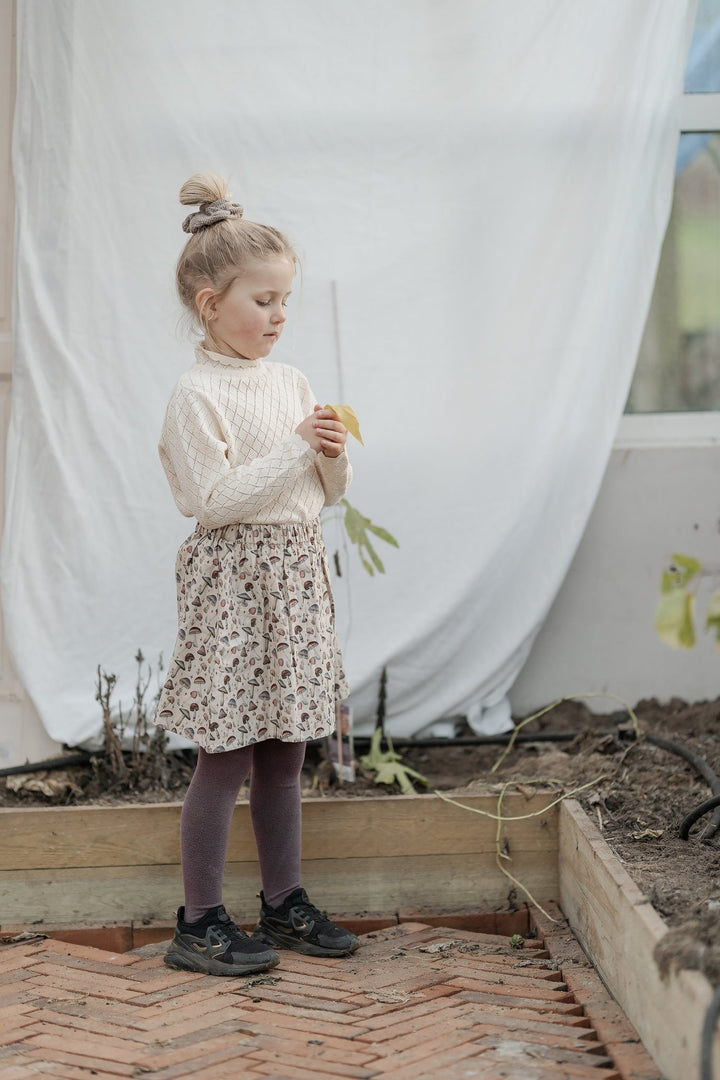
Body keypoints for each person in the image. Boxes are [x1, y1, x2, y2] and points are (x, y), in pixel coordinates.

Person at [155, 172, 358, 976]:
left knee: (287, 749)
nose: (279, 317)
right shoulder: (195, 394)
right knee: (227, 751)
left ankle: (283, 904)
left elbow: (315, 494)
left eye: (284, 301)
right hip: (234, 582)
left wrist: (332, 460)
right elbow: (215, 502)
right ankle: (198, 921)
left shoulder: (292, 382)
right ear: (211, 305)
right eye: (263, 301)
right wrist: (294, 448)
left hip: (295, 575)